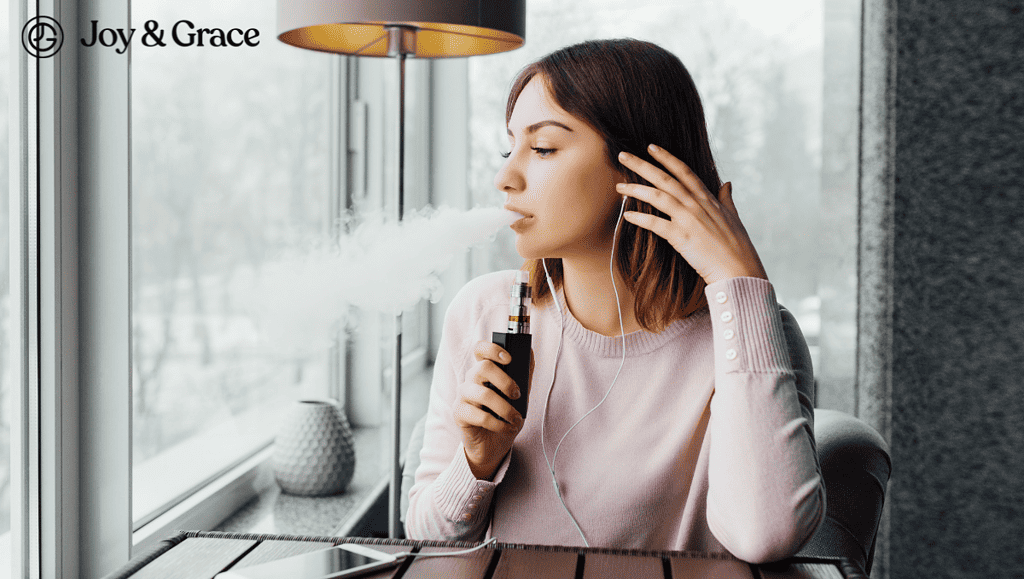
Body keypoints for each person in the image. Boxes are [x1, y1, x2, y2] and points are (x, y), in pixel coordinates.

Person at [405, 38, 824, 563]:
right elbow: (424, 541)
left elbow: (767, 535)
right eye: (507, 148)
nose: (505, 177)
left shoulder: (753, 334)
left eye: (543, 149)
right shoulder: (484, 311)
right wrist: (478, 462)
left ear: (641, 169)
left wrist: (738, 282)